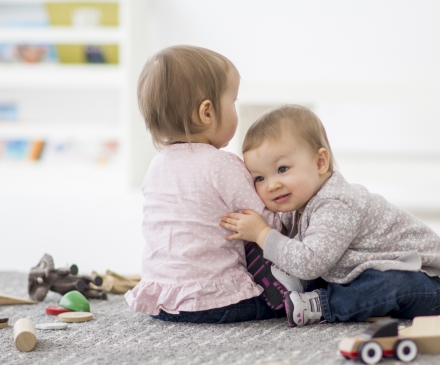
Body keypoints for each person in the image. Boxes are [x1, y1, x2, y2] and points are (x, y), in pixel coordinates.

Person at [220, 104, 440, 327]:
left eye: (282, 169)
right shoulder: (301, 201)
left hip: (426, 279)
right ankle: (296, 284)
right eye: (259, 178)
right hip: (366, 268)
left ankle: (322, 304)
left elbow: (310, 262)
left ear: (320, 162)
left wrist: (262, 234)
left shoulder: (337, 203)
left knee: (391, 285)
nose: (272, 185)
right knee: (341, 276)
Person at [125, 46, 301, 324]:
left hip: (162, 301)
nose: (235, 109)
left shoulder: (157, 165)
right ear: (207, 112)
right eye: (233, 101)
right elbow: (268, 223)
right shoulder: (221, 164)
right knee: (294, 293)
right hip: (215, 300)